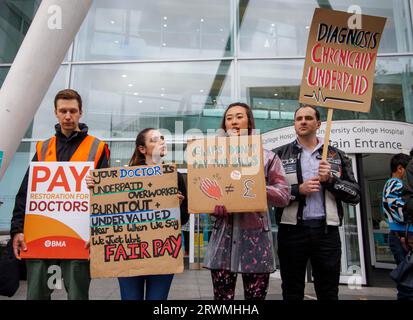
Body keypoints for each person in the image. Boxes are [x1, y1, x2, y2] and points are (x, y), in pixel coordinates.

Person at [10, 89, 110, 300]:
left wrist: (98, 233)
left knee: (77, 296)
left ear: (80, 113)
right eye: (63, 111)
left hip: (79, 237)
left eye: (72, 111)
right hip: (41, 235)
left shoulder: (98, 147)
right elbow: (26, 191)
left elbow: (106, 197)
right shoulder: (44, 147)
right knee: (36, 295)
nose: (68, 116)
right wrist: (17, 229)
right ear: (55, 113)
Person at [87, 127, 189, 300]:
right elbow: (109, 212)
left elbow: (184, 217)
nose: (161, 142)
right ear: (142, 149)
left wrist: (175, 206)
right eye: (154, 140)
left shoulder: (174, 176)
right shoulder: (124, 177)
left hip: (162, 252)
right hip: (130, 251)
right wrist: (95, 184)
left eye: (162, 138)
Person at [203, 102, 290, 300]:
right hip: (223, 242)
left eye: (239, 116)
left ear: (249, 122)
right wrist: (211, 207)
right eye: (229, 117)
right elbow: (205, 196)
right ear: (224, 125)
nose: (234, 121)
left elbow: (284, 195)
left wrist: (254, 187)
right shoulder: (213, 157)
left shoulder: (268, 157)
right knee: (222, 300)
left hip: (256, 242)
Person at [273, 104, 360, 301]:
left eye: (309, 118)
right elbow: (267, 194)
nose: (303, 121)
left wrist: (332, 181)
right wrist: (297, 191)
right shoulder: (278, 155)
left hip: (326, 233)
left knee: (328, 292)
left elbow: (355, 195)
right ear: (294, 124)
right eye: (299, 118)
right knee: (291, 291)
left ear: (319, 123)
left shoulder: (336, 155)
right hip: (291, 232)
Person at [382, 153, 413, 300]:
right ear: (400, 169)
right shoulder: (396, 183)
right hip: (403, 236)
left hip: (403, 235)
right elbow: (396, 209)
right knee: (408, 283)